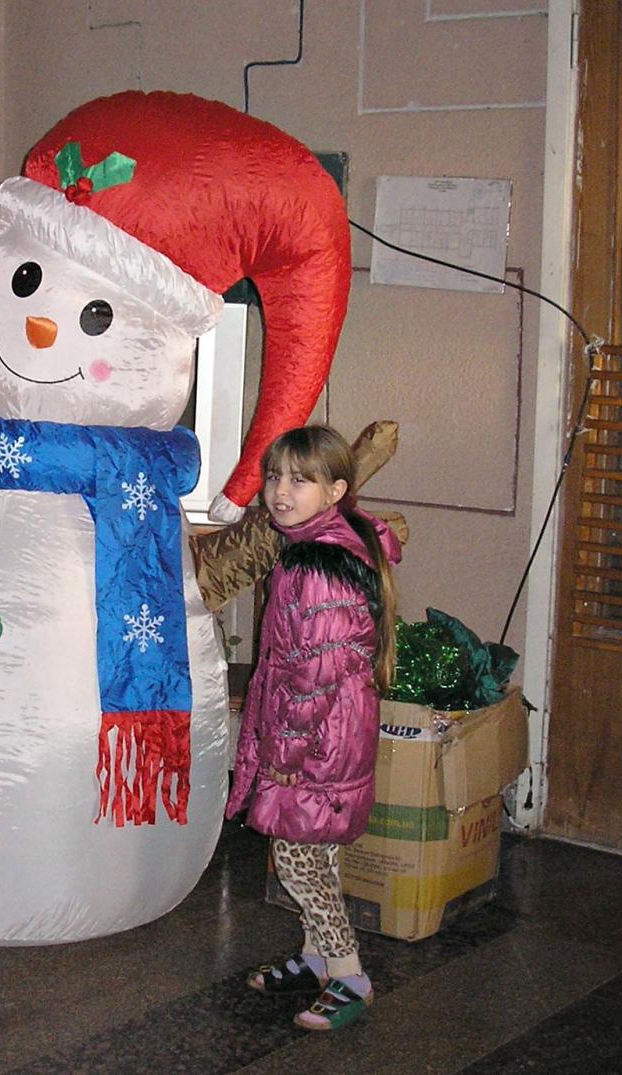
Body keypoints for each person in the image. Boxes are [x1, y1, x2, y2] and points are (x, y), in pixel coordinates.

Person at [226, 424, 401, 1031]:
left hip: (315, 736)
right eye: (275, 476)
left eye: (299, 480)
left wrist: (282, 753)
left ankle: (349, 973)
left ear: (335, 491)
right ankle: (315, 957)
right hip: (338, 726)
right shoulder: (335, 538)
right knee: (315, 848)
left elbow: (312, 677)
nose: (279, 490)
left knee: (298, 857)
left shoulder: (316, 566)